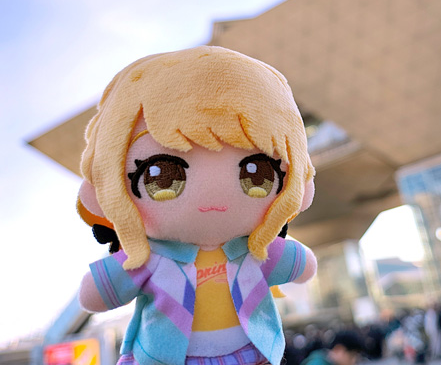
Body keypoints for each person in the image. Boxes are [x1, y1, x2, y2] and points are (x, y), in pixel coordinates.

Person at [76, 46, 317, 365]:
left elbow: (302, 265)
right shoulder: (148, 260)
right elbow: (96, 293)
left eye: (256, 174)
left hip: (250, 354)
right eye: (162, 177)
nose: (213, 195)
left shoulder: (257, 252)